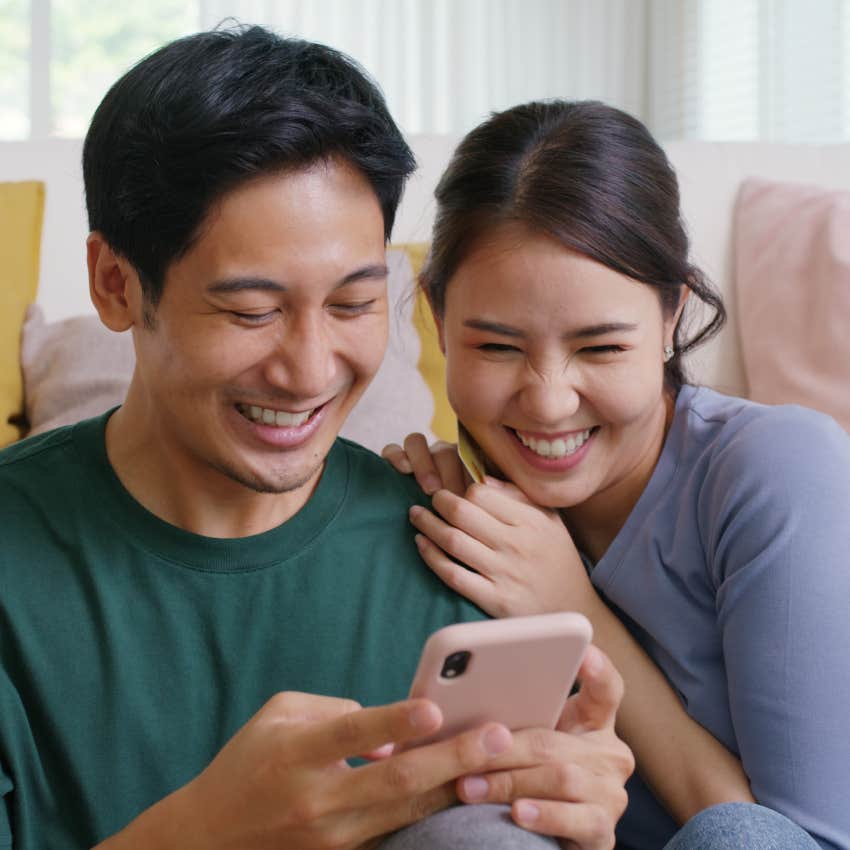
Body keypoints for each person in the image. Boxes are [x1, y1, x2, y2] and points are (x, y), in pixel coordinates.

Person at [0, 27, 638, 850]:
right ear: (117, 285)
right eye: (252, 311)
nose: (308, 373)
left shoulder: (463, 554)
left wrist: (578, 804)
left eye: (351, 305)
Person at [383, 100, 850, 850]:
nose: (548, 401)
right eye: (498, 348)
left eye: (599, 348)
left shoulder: (776, 471)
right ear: (438, 321)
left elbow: (796, 840)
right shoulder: (458, 512)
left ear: (672, 317)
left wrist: (571, 606)